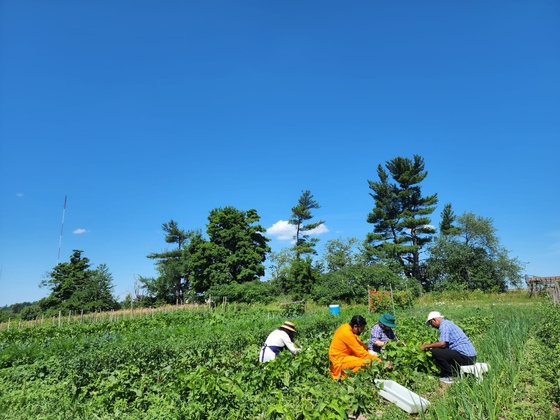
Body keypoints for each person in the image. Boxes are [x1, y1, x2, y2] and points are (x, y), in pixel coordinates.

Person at [420, 311, 477, 384]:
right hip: (471, 357)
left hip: (466, 357)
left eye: (431, 323)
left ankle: (452, 375)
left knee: (436, 352)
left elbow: (442, 344)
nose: (432, 326)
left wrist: (426, 346)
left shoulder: (444, 326)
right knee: (439, 350)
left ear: (435, 320)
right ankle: (454, 372)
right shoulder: (447, 323)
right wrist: (434, 346)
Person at [329, 315, 382, 380]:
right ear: (355, 326)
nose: (362, 331)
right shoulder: (347, 334)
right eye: (362, 329)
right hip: (339, 361)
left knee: (365, 358)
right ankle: (345, 377)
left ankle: (345, 374)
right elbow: (361, 353)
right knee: (367, 363)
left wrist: (367, 349)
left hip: (341, 357)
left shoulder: (346, 327)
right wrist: (378, 361)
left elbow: (357, 342)